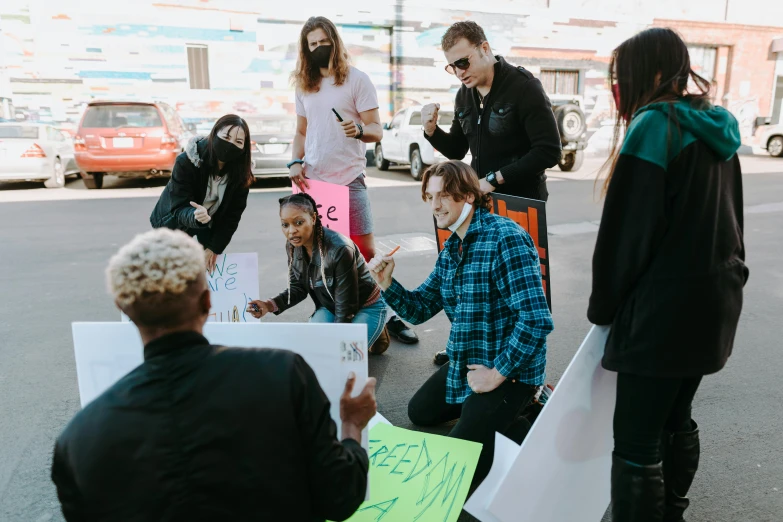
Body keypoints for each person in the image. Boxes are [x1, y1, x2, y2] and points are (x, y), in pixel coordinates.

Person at [51, 229, 377, 521]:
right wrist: (351, 424)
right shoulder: (284, 374)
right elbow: (339, 497)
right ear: (207, 302)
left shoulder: (78, 441)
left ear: (124, 308)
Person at [588, 28, 748, 522]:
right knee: (676, 418)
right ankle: (672, 513)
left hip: (662, 314)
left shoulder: (654, 126)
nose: (618, 86)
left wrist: (603, 310)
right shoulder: (715, 126)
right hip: (715, 303)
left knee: (635, 439)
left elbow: (626, 238)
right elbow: (733, 222)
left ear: (654, 73)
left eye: (622, 75)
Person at [367, 160, 553, 491]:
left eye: (444, 196)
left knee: (452, 476)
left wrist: (496, 375)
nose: (435, 205)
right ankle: (494, 417)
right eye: (429, 196)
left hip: (512, 371)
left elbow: (536, 320)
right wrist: (387, 283)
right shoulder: (452, 247)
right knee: (419, 412)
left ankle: (530, 409)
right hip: (468, 359)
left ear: (468, 195)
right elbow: (421, 308)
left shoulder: (505, 238)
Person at [420, 21, 561, 365]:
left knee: (518, 289)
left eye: (463, 62)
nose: (458, 72)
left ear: (485, 48)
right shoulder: (464, 94)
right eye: (452, 66)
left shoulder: (524, 87)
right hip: (479, 202)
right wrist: (430, 130)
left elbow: (549, 151)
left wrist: (495, 179)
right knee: (469, 280)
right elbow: (457, 147)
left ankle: (521, 363)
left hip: (520, 202)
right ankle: (470, 346)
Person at [289, 15, 418, 345]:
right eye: (311, 44)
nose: (318, 48)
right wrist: (294, 162)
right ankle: (331, 311)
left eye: (322, 41)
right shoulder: (305, 85)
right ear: (305, 49)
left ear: (334, 41)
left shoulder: (357, 80)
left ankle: (386, 312)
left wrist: (359, 130)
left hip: (350, 179)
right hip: (314, 183)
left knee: (364, 251)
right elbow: (301, 132)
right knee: (322, 256)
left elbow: (377, 129)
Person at [247, 192, 390, 354]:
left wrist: (337, 348)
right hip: (330, 306)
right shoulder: (292, 246)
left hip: (365, 306)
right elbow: (297, 289)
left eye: (298, 222)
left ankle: (377, 326)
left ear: (313, 218)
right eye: (285, 225)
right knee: (313, 350)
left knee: (342, 355)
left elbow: (346, 306)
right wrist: (268, 305)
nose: (291, 231)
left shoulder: (340, 249)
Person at [150, 114, 253, 273]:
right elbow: (179, 207)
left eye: (238, 142)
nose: (230, 144)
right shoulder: (186, 162)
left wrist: (214, 248)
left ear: (244, 148)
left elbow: (231, 217)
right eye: (226, 136)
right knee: (173, 273)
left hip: (209, 224)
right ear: (214, 133)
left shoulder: (241, 176)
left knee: (208, 271)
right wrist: (196, 216)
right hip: (174, 221)